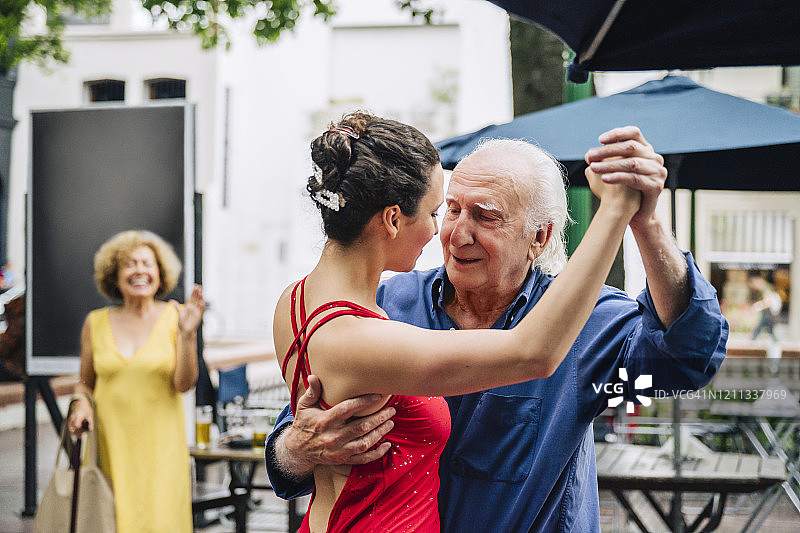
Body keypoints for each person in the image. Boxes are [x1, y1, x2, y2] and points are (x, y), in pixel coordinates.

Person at [267, 125, 728, 532]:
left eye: (485, 216)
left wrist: (645, 224)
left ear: (540, 238)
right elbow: (298, 435)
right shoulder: (385, 307)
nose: (455, 234)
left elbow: (689, 356)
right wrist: (297, 448)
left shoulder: (587, 320)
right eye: (449, 210)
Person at [67, 230, 205, 533]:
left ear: (160, 273)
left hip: (161, 454)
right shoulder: (96, 322)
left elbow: (184, 384)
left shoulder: (177, 317)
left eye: (147, 263)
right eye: (130, 264)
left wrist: (187, 334)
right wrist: (80, 405)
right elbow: (85, 382)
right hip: (110, 450)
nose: (140, 270)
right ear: (114, 276)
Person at [749, 274, 781, 340]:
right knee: (769, 326)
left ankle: (753, 338)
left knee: (762, 324)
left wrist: (758, 306)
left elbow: (767, 301)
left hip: (767, 311)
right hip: (767, 312)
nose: (754, 287)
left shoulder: (765, 288)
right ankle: (775, 340)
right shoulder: (765, 287)